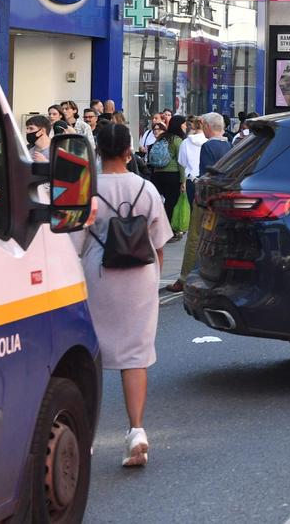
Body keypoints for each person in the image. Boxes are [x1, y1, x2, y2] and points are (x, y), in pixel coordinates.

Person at [74, 123, 171, 468]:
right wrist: (154, 281)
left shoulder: (87, 188)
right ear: (129, 151)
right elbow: (159, 243)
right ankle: (137, 431)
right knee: (135, 355)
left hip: (98, 275)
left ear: (97, 151)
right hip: (140, 277)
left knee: (92, 355)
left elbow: (74, 243)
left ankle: (85, 438)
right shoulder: (145, 187)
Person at [173, 112, 231, 292]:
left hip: (207, 200)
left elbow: (206, 175)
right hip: (224, 199)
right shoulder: (229, 145)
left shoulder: (208, 146)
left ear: (207, 126)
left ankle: (185, 278)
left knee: (195, 237)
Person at [148, 115, 186, 239]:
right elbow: (181, 162)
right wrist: (183, 180)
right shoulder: (177, 140)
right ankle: (167, 231)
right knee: (171, 203)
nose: (185, 127)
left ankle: (156, 229)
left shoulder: (161, 137)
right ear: (179, 125)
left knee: (160, 202)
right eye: (184, 124)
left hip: (157, 174)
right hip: (172, 175)